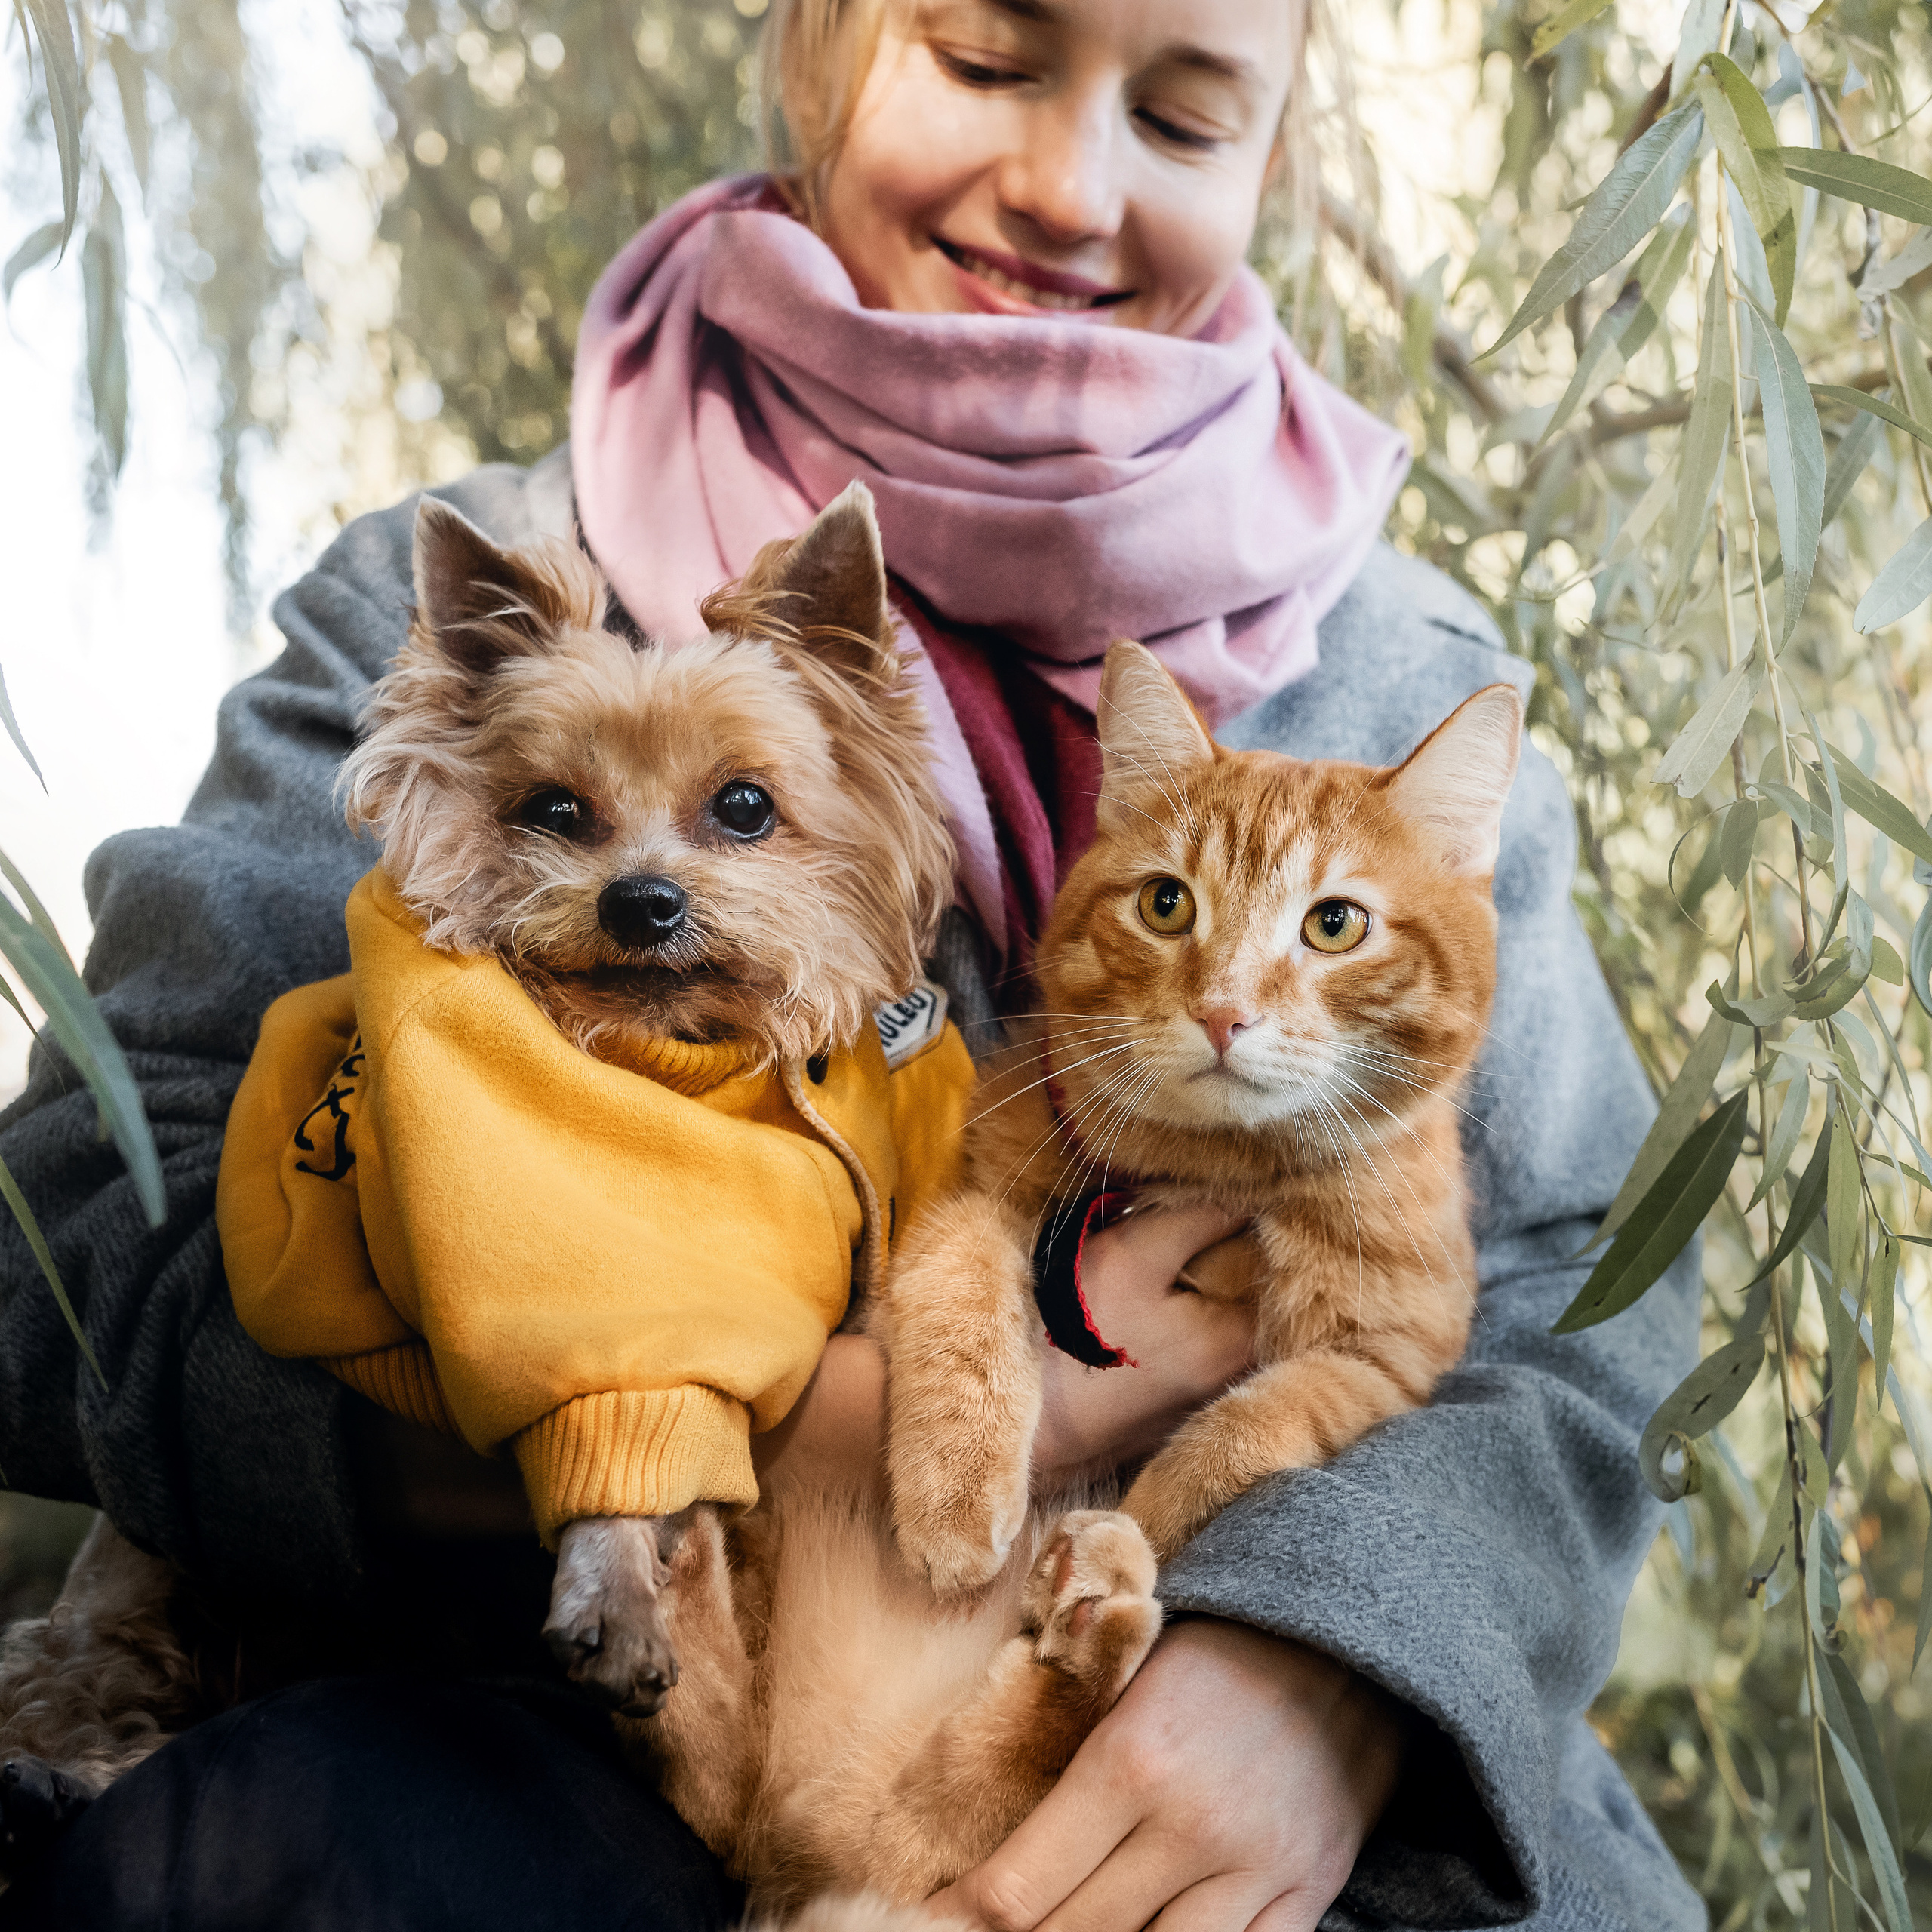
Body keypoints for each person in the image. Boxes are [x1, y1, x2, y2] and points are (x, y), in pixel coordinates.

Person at [0, 2, 1705, 1928]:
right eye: (984, 61)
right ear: (814, 50)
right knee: (258, 1866)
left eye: (1184, 111)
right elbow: (71, 1236)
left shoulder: (1409, 689)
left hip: (1226, 1759)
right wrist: (683, 1424)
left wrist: (1326, 1659)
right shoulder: (449, 599)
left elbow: (1594, 1297)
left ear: (1280, 153)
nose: (1067, 184)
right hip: (556, 1719)